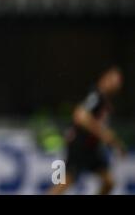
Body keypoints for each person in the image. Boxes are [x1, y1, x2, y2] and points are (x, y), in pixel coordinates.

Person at [48, 66, 126, 195]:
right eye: (114, 79)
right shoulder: (96, 95)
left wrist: (116, 144)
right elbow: (80, 115)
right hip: (79, 145)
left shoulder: (105, 100)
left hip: (92, 149)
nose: (117, 83)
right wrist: (104, 134)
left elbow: (104, 130)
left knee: (109, 182)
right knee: (64, 182)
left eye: (119, 81)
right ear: (104, 78)